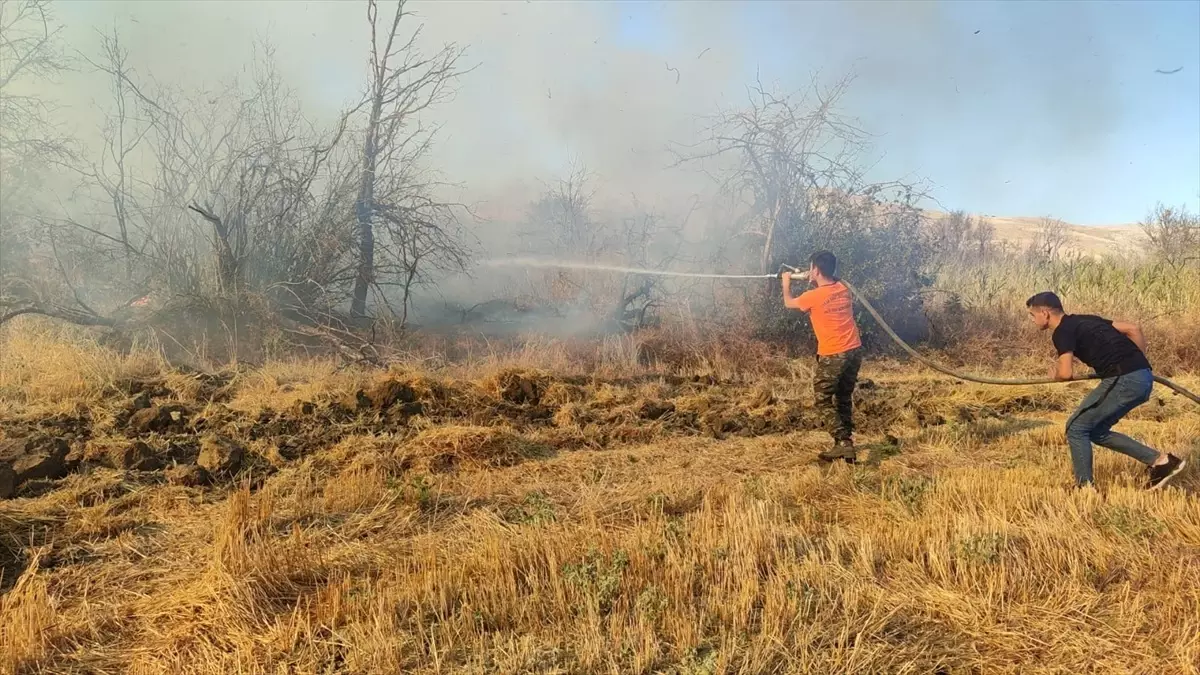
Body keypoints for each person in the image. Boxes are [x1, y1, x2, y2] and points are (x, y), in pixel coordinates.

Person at [1026, 291, 1186, 489]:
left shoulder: (1062, 332)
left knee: (1075, 428)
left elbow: (1066, 373)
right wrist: (1138, 362)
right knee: (1095, 431)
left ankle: (1084, 488)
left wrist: (1056, 375)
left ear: (1045, 313)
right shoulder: (1086, 320)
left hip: (1123, 379)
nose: (1032, 320)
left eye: (1032, 315)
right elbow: (1133, 328)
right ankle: (1161, 462)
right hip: (1142, 377)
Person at [783, 251, 863, 463]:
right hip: (854, 350)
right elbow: (829, 284)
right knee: (843, 396)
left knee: (823, 398)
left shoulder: (813, 297)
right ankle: (843, 444)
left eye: (811, 268)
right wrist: (810, 276)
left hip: (834, 353)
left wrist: (785, 281)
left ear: (816, 270)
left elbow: (789, 302)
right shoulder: (844, 289)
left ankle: (844, 441)